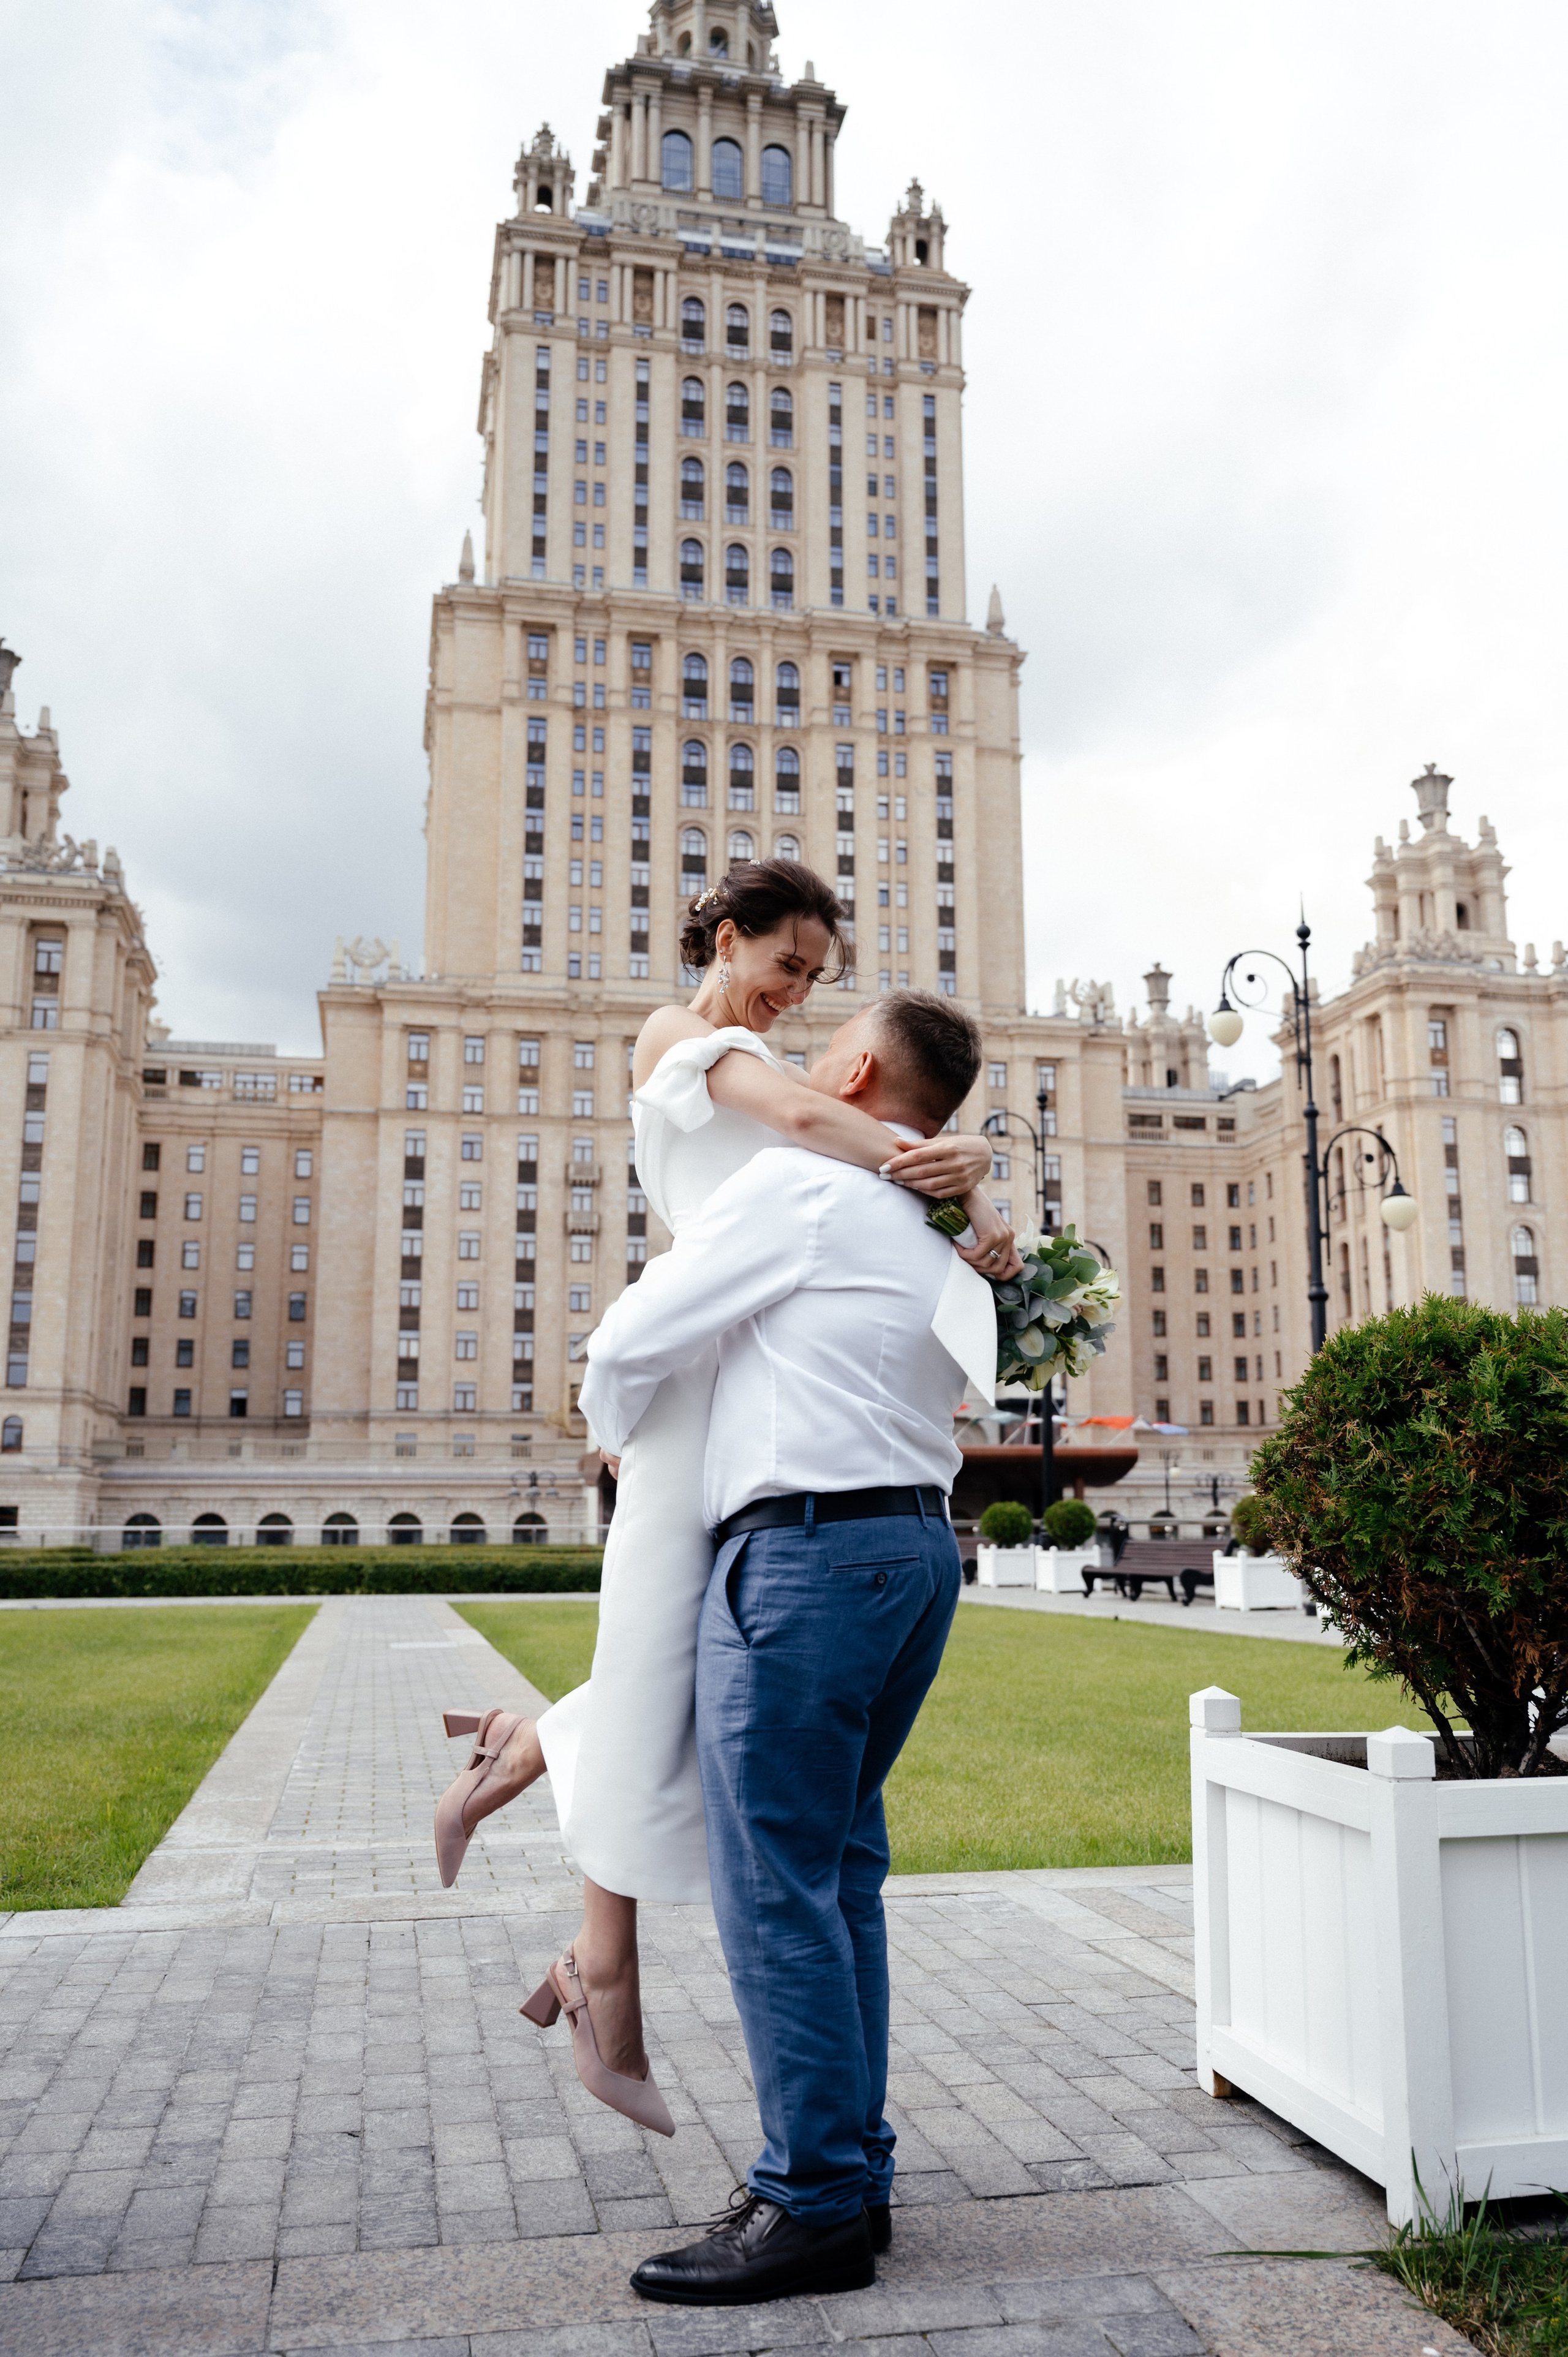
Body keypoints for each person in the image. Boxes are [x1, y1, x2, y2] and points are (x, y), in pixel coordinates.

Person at [433, 861, 1014, 2129]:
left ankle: (541, 1806)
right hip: (708, 1369)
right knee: (665, 1674)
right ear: (727, 935)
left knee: (680, 1689)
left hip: (740, 1370)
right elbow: (808, 1129)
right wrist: (953, 1175)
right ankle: (596, 1954)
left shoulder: (817, 1139)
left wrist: (955, 1195)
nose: (795, 994)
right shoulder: (690, 1043)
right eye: (784, 963)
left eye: (817, 981)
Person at [581, 989, 989, 2305]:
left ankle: (811, 2195)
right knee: (837, 1874)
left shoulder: (796, 1189)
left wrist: (615, 1430)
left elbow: (632, 1334)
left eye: (823, 1047)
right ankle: (850, 2175)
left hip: (807, 1555)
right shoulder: (930, 1230)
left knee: (776, 1886)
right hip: (916, 1553)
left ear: (858, 1070)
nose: (803, 1062)